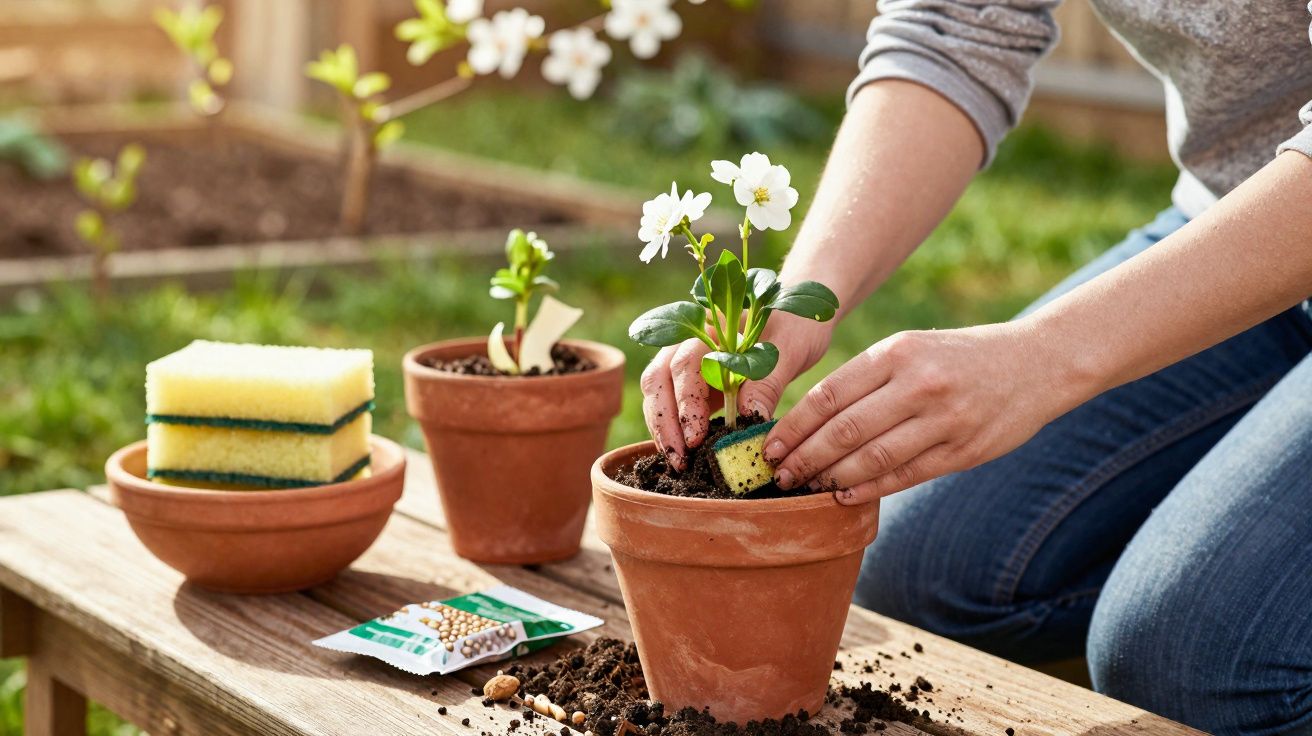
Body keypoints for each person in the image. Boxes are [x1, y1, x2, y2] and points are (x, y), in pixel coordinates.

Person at [638, 1, 1312, 733]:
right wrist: (795, 305)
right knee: (920, 572)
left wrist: (1044, 359)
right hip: (1234, 215)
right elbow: (954, 30)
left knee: (1199, 662)